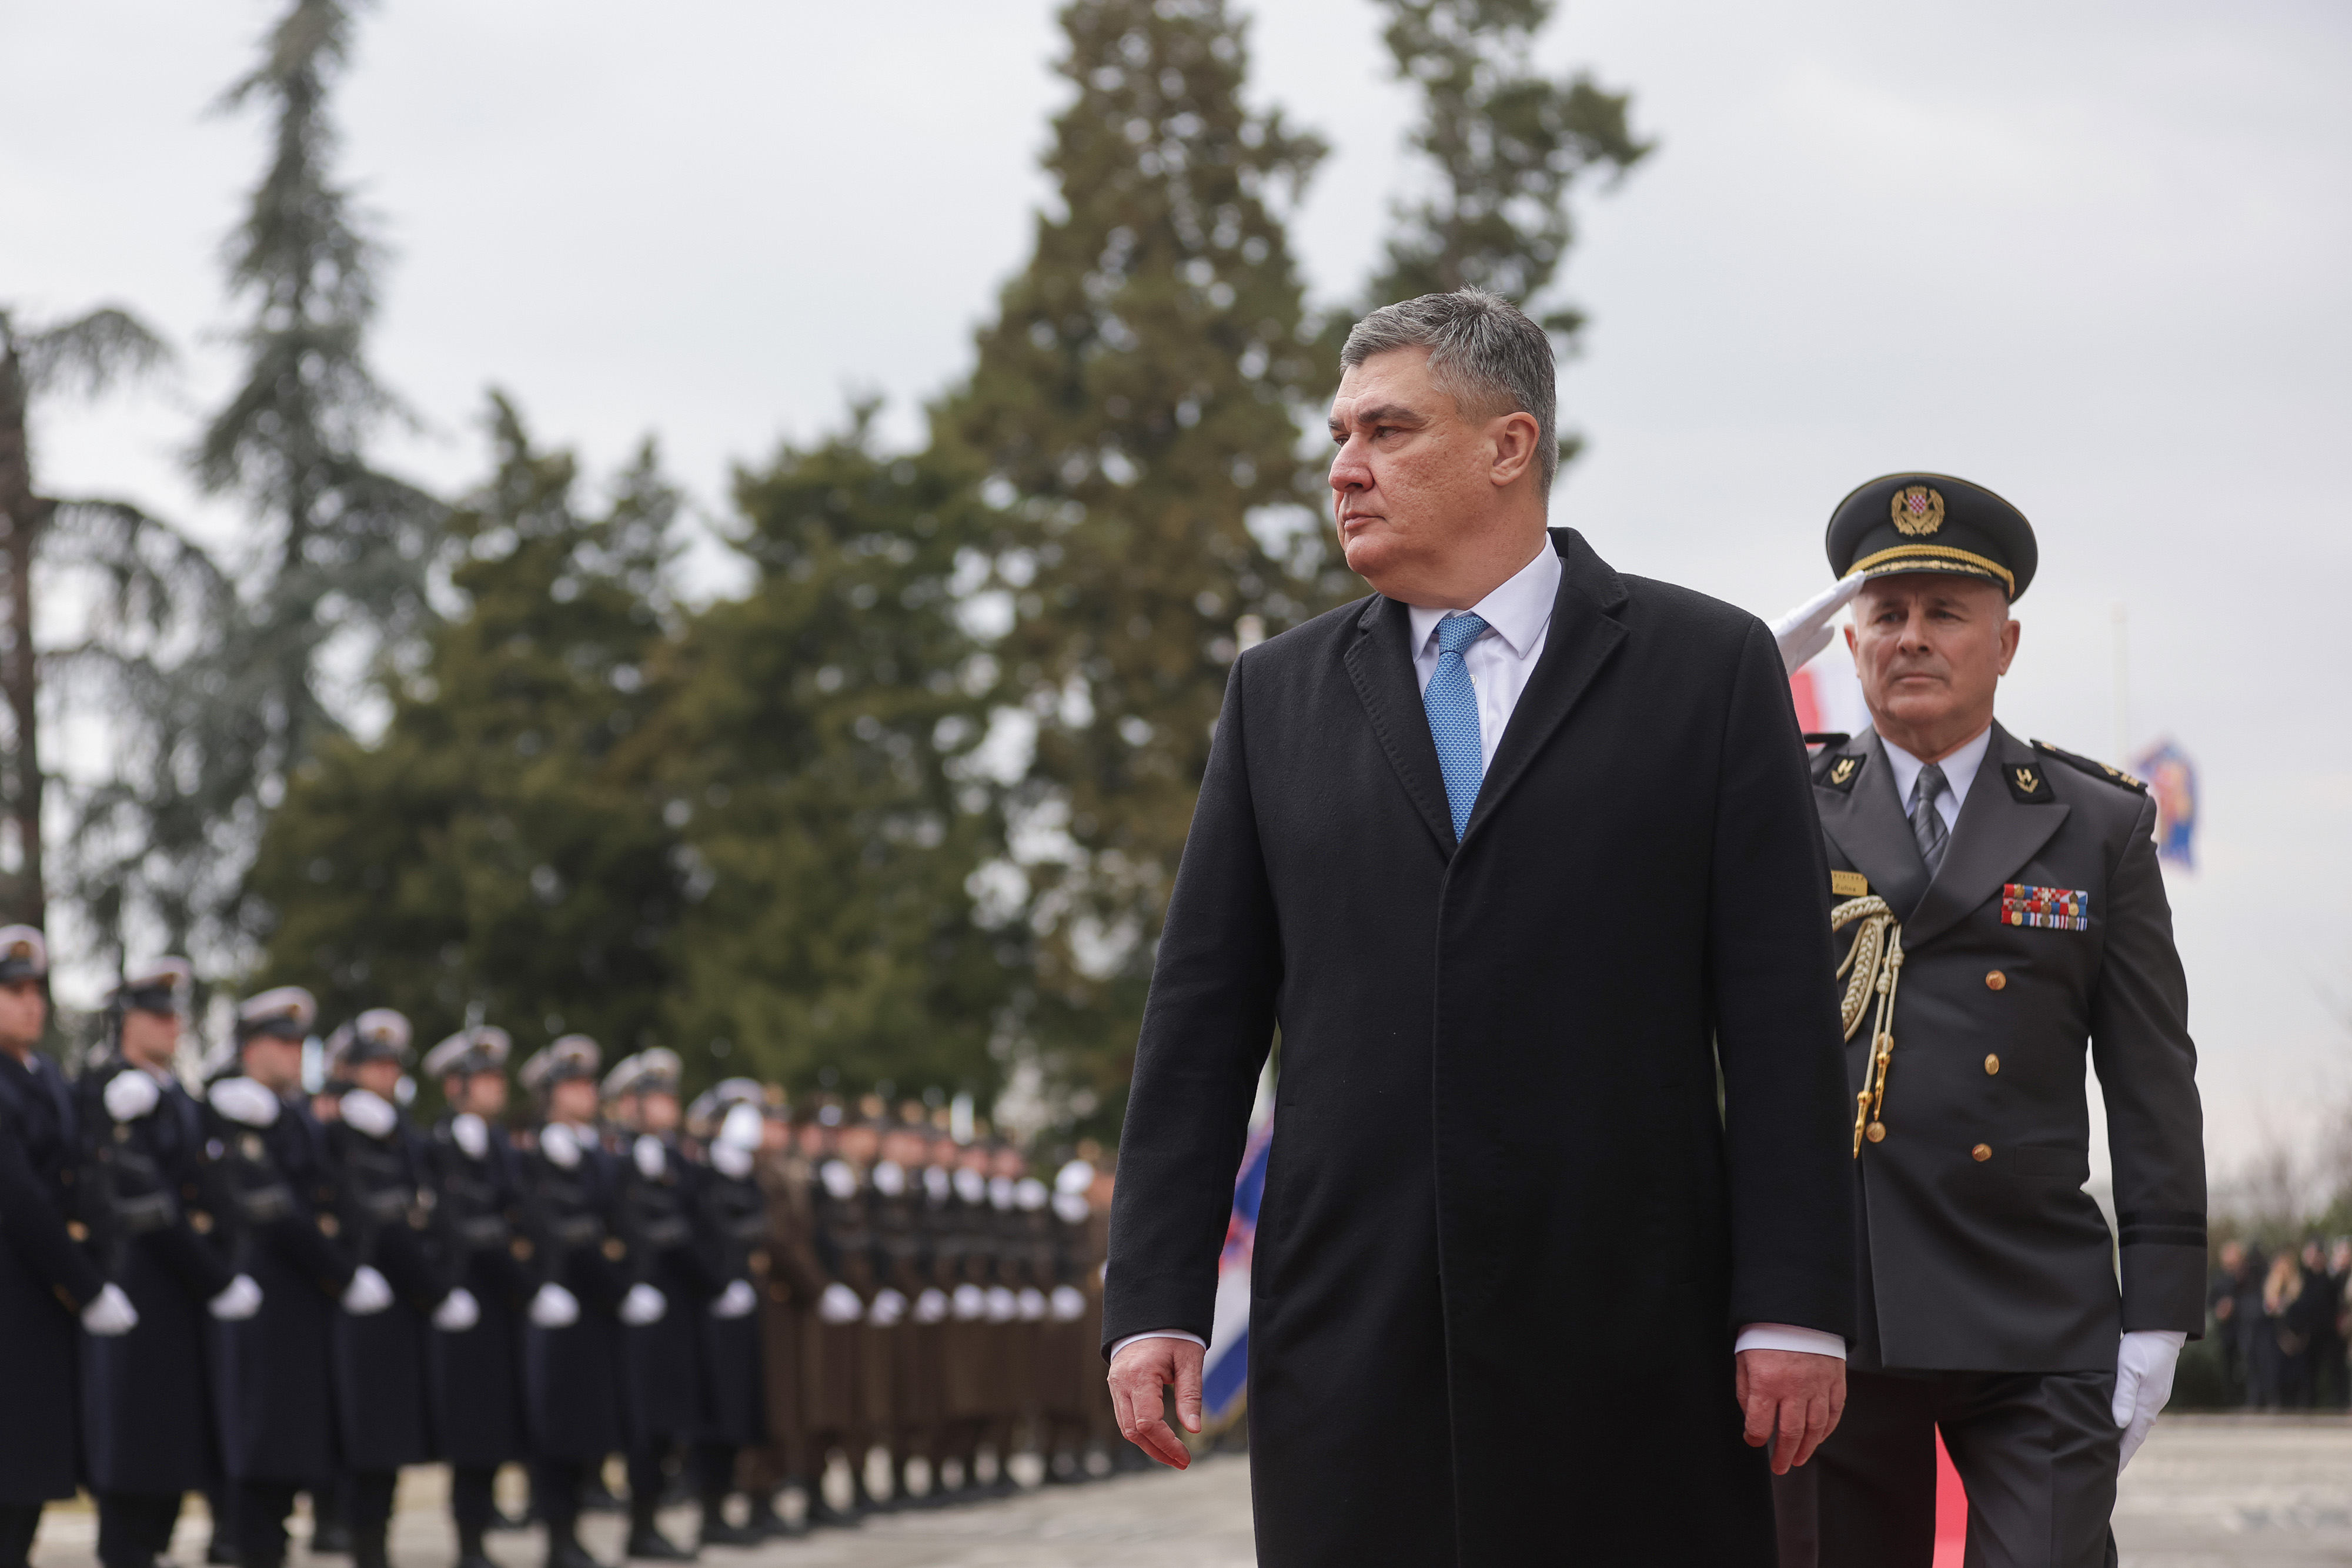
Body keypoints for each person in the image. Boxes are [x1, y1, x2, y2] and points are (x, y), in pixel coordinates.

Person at [1103, 289, 1855, 1564]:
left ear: (1509, 445)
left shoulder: (1703, 666)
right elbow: (1201, 1019)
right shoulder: (1275, 695)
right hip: (1353, 1327)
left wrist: (1792, 1307)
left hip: (1629, 1328)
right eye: (1339, 435)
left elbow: (1781, 1014)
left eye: (1386, 431)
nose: (1343, 469)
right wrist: (1154, 1298)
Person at [1770, 474, 2208, 1568]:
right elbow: (1621, 857)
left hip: (2031, 1301)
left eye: (1945, 613)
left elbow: (2152, 1078)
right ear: (1851, 638)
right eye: (1887, 614)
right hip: (1841, 1300)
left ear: (2005, 641)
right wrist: (1719, 692)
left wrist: (2160, 1306)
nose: (1912, 638)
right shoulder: (1774, 800)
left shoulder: (2095, 822)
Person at [78, 960, 261, 1568]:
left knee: (168, 1471)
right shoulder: (109, 1087)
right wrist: (214, 1276)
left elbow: (210, 1185)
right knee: (133, 1470)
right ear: (125, 1020)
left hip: (184, 1299)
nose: (172, 1025)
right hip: (140, 1291)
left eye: (175, 1014)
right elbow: (145, 1202)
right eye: (158, 1014)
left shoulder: (177, 1093)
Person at [208, 988, 389, 1568]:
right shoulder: (233, 1108)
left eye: (299, 1044)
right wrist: (341, 1273)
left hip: (304, 1310)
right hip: (263, 1306)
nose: (294, 1054)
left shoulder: (296, 1116)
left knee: (289, 1464)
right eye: (281, 1043)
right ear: (249, 1047)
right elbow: (275, 1211)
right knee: (261, 1468)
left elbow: (332, 1193)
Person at [0, 927, 133, 1568]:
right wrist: (87, 1285)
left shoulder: (47, 1074)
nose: (30, 1004)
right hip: (12, 1298)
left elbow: (82, 1170)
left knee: (30, 1477)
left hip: (44, 1302)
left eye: (35, 991)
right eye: (12, 991)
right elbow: (18, 1198)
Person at [320, 1011, 453, 1568]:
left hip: (400, 1304)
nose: (387, 1073)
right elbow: (361, 1215)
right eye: (375, 1063)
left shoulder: (400, 1134)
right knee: (362, 1437)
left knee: (389, 1440)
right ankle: (361, 1546)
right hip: (358, 1298)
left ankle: (376, 1544)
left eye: (392, 1063)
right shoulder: (336, 1131)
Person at [516, 1036, 632, 1568]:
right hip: (554, 1303)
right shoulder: (532, 1152)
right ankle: (557, 1533)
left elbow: (615, 1223)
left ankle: (573, 1530)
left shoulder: (598, 1153)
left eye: (589, 1083)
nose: (586, 1093)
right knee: (555, 1427)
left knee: (589, 1425)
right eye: (573, 1084)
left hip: (596, 1306)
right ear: (548, 1094)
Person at [422, 1026, 533, 1568]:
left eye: (496, 1076)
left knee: (494, 1427)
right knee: (469, 1428)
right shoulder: (438, 1145)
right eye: (483, 1077)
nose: (496, 1086)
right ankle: (468, 1540)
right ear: (455, 1085)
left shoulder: (499, 1146)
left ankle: (482, 1532)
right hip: (460, 1302)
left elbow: (519, 1214)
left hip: (502, 1301)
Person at [601, 1049, 703, 1561]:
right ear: (630, 1103)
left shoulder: (677, 1159)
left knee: (669, 1420)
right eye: (657, 1096)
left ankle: (650, 1521)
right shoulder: (615, 1160)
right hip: (635, 1305)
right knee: (641, 1422)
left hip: (677, 1307)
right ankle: (638, 1524)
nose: (670, 1104)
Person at [679, 1079, 772, 1542]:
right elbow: (695, 1238)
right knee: (712, 1414)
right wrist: (719, 1284)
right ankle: (710, 1512)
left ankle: (725, 1508)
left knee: (740, 1412)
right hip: (710, 1312)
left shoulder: (747, 1175)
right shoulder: (701, 1175)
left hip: (743, 1308)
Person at [2208, 1241, 2253, 1403]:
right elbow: (2210, 1302)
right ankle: (2229, 1401)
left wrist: (2234, 1306)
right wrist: (2220, 1310)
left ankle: (2247, 1400)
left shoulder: (2244, 1276)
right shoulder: (2218, 1278)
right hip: (2225, 1331)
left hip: (2243, 1328)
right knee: (2227, 1367)